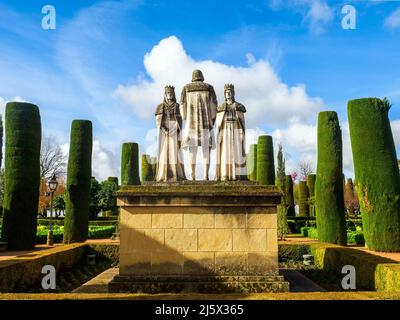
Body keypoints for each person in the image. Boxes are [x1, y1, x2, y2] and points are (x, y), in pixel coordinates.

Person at [180, 69, 217, 180]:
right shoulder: (209, 88)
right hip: (206, 124)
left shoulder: (186, 88)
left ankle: (192, 175)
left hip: (191, 124)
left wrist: (185, 118)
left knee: (192, 150)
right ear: (202, 76)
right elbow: (214, 105)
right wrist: (212, 119)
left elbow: (182, 105)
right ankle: (205, 176)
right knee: (206, 150)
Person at [215, 84, 247, 181]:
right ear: (224, 94)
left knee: (236, 151)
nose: (228, 94)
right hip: (225, 131)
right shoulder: (221, 107)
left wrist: (241, 133)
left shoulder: (238, 106)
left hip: (236, 129)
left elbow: (241, 121)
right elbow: (219, 123)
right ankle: (225, 174)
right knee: (225, 152)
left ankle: (237, 175)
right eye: (226, 92)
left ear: (233, 93)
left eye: (230, 92)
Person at [155, 85, 186, 182]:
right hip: (164, 130)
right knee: (164, 152)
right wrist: (164, 129)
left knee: (175, 151)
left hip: (174, 129)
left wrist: (176, 127)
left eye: (171, 93)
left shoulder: (177, 106)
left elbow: (180, 119)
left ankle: (175, 174)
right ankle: (163, 175)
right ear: (165, 95)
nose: (170, 95)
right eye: (168, 93)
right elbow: (159, 120)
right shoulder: (161, 106)